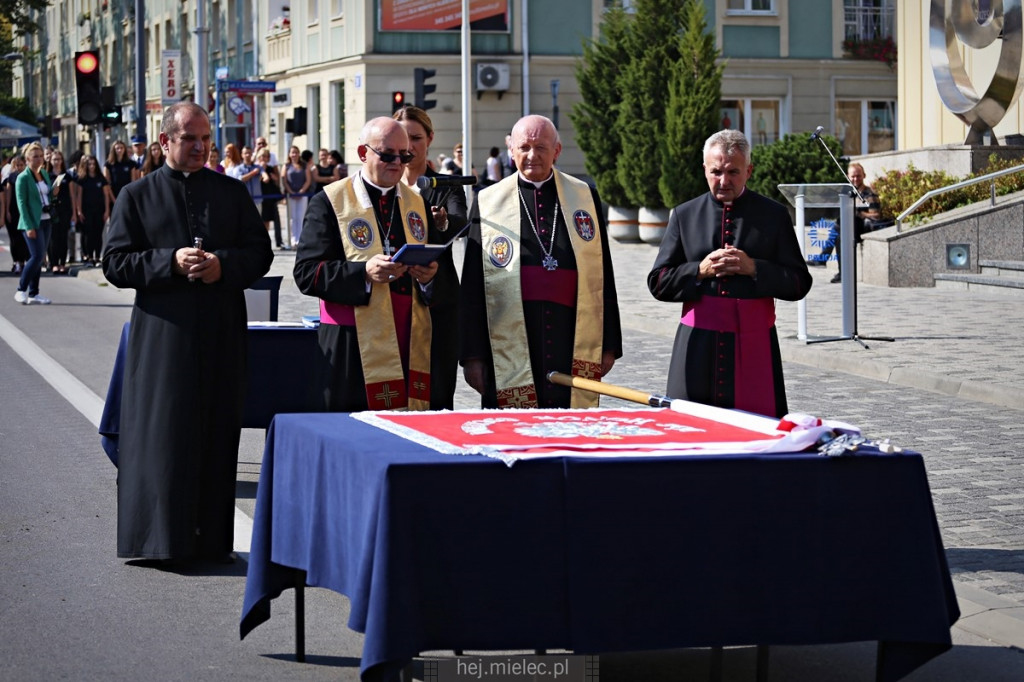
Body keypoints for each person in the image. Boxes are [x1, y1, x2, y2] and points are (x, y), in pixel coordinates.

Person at [101, 101, 273, 563]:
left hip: (220, 333)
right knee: (164, 437)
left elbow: (260, 252)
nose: (200, 148)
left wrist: (224, 266)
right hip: (163, 338)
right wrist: (168, 262)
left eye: (205, 140)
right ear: (165, 142)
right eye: (190, 139)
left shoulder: (232, 193)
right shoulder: (135, 197)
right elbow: (114, 263)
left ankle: (211, 541)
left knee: (217, 433)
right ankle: (159, 541)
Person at [293, 116, 458, 411]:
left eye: (404, 155)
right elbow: (307, 273)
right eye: (387, 155)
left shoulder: (417, 203)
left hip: (411, 341)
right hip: (353, 347)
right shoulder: (329, 201)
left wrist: (429, 277)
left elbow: (444, 277)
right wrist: (364, 273)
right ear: (362, 153)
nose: (397, 162)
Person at [460, 114, 622, 409]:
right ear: (511, 150)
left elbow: (603, 273)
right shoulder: (487, 200)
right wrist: (472, 357)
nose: (532, 155)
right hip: (507, 342)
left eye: (541, 147)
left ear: (556, 151)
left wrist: (608, 345)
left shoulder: (584, 196)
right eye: (524, 147)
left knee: (569, 429)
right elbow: (471, 284)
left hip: (569, 335)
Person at [647, 129, 812, 418]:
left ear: (749, 171)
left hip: (754, 345)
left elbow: (799, 282)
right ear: (704, 170)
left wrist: (754, 268)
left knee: (757, 433)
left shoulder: (773, 215)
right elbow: (658, 282)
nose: (724, 181)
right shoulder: (685, 215)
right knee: (692, 431)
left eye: (733, 172)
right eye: (716, 171)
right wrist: (699, 271)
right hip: (696, 345)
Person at [394, 105, 468, 409]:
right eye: (403, 138)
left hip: (438, 302)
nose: (409, 146)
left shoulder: (446, 185)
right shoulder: (386, 187)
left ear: (430, 139)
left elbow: (459, 222)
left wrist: (440, 224)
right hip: (394, 304)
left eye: (416, 138)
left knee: (437, 393)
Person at [829, 162, 883, 284]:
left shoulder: (869, 193)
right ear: (848, 176)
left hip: (862, 227)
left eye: (858, 176)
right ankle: (842, 273)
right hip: (848, 228)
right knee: (839, 235)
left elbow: (876, 215)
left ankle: (825, 259)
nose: (855, 179)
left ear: (864, 175)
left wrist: (860, 214)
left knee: (841, 226)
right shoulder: (848, 193)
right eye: (853, 176)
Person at [13, 142, 52, 305]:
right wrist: (29, 226)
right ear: (28, 159)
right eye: (35, 156)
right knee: (36, 256)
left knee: (40, 257)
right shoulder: (23, 177)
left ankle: (34, 293)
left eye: (41, 156)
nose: (39, 159)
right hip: (31, 221)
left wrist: (54, 192)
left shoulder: (44, 173)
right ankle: (21, 289)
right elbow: (21, 203)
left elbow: (48, 194)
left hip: (46, 219)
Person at [74, 154, 113, 266]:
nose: (91, 166)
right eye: (89, 164)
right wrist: (79, 211)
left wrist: (106, 210)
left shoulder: (101, 178)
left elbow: (106, 195)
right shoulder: (82, 179)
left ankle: (97, 257)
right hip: (87, 210)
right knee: (88, 234)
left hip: (99, 210)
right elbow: (79, 196)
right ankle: (89, 256)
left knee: (98, 234)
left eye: (93, 164)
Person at [47, 150, 74, 274]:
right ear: (50, 161)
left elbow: (72, 195)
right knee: (53, 238)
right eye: (54, 159)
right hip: (52, 211)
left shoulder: (66, 176)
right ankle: (53, 263)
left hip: (65, 210)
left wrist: (74, 212)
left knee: (63, 237)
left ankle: (62, 263)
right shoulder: (47, 175)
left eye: (59, 159)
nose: (57, 162)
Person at [2, 153, 28, 274]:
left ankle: (25, 262)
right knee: (15, 239)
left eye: (21, 165)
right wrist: (7, 211)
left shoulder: (29, 176)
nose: (19, 167)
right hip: (13, 210)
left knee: (25, 238)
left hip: (25, 210)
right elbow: (8, 194)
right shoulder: (11, 178)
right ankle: (17, 261)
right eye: (17, 165)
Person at [256, 147, 286, 249]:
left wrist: (274, 178)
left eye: (266, 156)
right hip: (260, 197)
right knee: (263, 221)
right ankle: (262, 241)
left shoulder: (270, 168)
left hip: (270, 197)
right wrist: (261, 171)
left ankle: (277, 241)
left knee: (272, 219)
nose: (264, 158)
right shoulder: (256, 168)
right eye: (262, 156)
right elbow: (260, 180)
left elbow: (275, 179)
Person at [283, 145, 312, 247]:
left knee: (301, 217)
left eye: (296, 152)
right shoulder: (286, 166)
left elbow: (308, 180)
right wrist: (290, 191)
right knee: (292, 218)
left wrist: (301, 191)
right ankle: (292, 239)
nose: (294, 154)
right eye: (292, 152)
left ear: (299, 154)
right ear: (289, 154)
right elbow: (284, 180)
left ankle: (300, 239)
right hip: (290, 195)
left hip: (302, 195)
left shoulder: (304, 165)